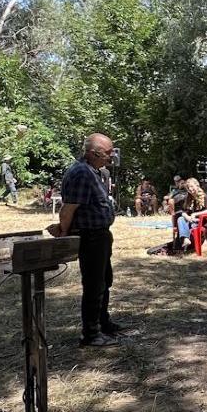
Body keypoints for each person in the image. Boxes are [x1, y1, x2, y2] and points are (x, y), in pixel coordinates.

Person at [50, 134, 121, 347]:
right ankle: (90, 334)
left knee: (104, 281)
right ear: (93, 153)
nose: (111, 156)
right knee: (93, 284)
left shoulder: (96, 172)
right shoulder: (81, 172)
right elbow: (69, 208)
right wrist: (63, 230)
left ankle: (103, 322)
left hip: (101, 235)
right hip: (90, 237)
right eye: (108, 152)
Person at [170, 178, 207, 253]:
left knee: (183, 221)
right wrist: (186, 216)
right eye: (188, 187)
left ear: (197, 185)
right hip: (190, 220)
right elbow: (183, 211)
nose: (190, 189)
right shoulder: (188, 197)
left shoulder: (203, 196)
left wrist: (195, 214)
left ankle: (184, 241)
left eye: (191, 186)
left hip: (199, 221)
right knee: (180, 218)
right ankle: (185, 239)